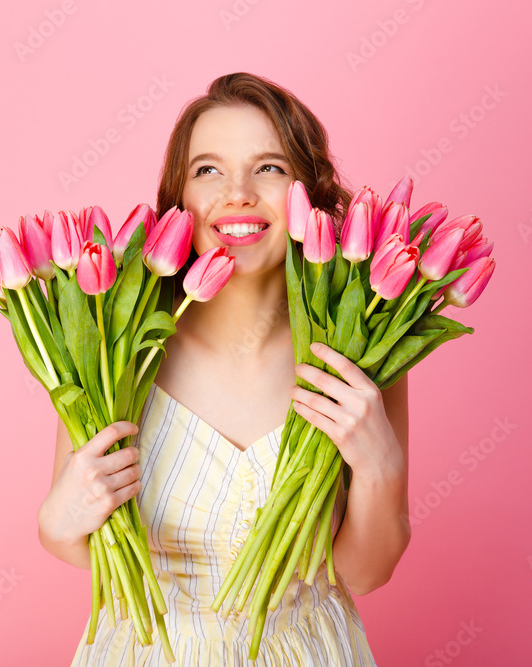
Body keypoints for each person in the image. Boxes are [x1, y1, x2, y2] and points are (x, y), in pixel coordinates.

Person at [38, 72, 410, 666]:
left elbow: (366, 573)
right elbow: (73, 537)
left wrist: (380, 465)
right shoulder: (115, 345)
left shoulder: (360, 350)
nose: (237, 194)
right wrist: (56, 522)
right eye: (208, 170)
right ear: (179, 197)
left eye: (270, 168)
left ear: (308, 195)